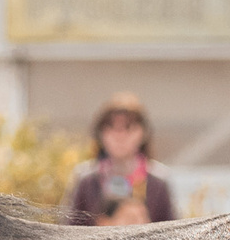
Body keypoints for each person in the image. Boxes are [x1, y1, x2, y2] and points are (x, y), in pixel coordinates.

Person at [61, 93, 178, 226]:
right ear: (100, 133)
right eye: (111, 127)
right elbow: (68, 230)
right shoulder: (86, 180)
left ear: (143, 133)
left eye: (128, 128)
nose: (119, 136)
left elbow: (174, 231)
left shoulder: (158, 181)